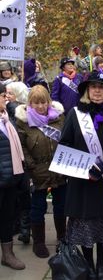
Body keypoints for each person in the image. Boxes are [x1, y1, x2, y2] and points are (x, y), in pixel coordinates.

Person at [59, 71, 103, 280]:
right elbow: (65, 145)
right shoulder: (74, 114)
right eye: (93, 87)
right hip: (81, 180)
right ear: (87, 91)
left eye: (101, 87)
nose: (97, 90)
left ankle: (101, 263)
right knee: (85, 224)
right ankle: (88, 263)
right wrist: (83, 168)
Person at [15, 85, 66, 258]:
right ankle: (38, 242)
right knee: (38, 208)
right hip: (37, 171)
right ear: (30, 103)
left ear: (49, 101)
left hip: (59, 169)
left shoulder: (59, 118)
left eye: (43, 102)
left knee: (61, 206)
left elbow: (66, 139)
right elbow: (21, 146)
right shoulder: (23, 121)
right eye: (36, 103)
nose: (40, 106)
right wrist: (32, 166)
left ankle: (62, 239)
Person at [0, 83, 26, 270]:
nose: (6, 98)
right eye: (3, 95)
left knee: (6, 217)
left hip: (9, 180)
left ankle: (7, 254)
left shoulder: (7, 119)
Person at [5, 82, 31, 244]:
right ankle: (23, 228)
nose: (7, 96)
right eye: (5, 94)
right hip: (14, 160)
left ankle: (24, 229)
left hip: (21, 160)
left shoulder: (16, 110)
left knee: (22, 197)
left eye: (10, 93)